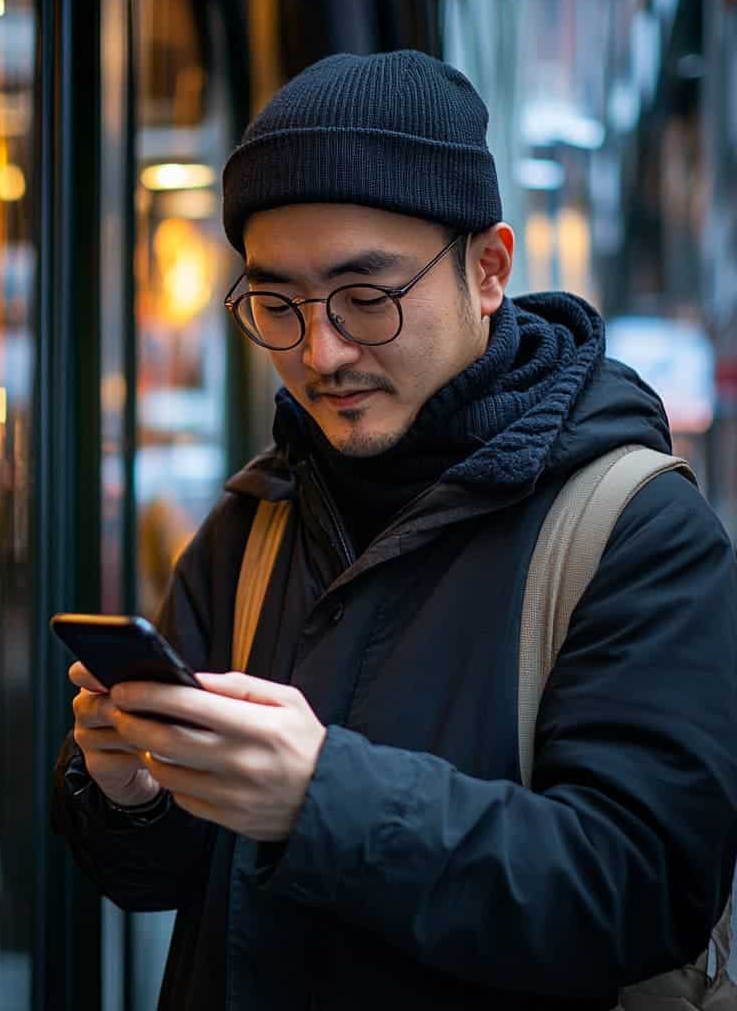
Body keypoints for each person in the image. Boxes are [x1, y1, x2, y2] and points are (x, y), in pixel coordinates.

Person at [50, 50, 737, 1009]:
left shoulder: (638, 531)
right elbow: (166, 884)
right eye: (277, 305)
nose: (321, 351)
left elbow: (643, 889)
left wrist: (319, 797)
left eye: (367, 298)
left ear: (488, 269)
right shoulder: (252, 525)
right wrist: (132, 792)